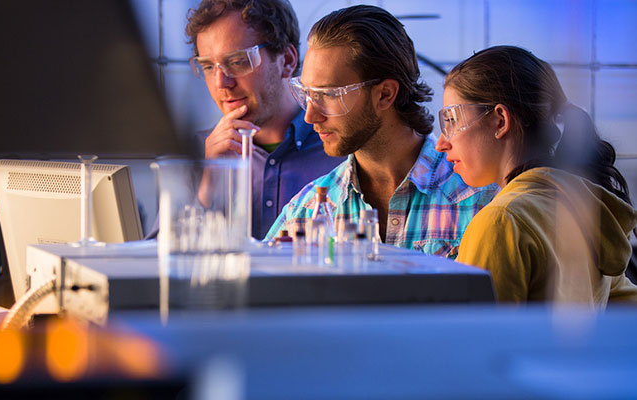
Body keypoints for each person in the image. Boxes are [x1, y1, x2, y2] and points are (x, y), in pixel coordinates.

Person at [265, 5, 497, 258]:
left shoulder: (481, 200)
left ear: (385, 94)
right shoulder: (306, 212)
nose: (310, 116)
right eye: (307, 94)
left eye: (329, 95)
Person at [435, 45, 637, 305]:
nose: (441, 142)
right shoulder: (582, 207)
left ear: (500, 121)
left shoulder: (502, 221)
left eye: (450, 120)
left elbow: (478, 339)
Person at [185, 0, 345, 239]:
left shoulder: (341, 149)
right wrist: (208, 184)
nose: (221, 83)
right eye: (208, 67)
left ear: (287, 61)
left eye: (238, 61)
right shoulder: (195, 155)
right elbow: (160, 261)